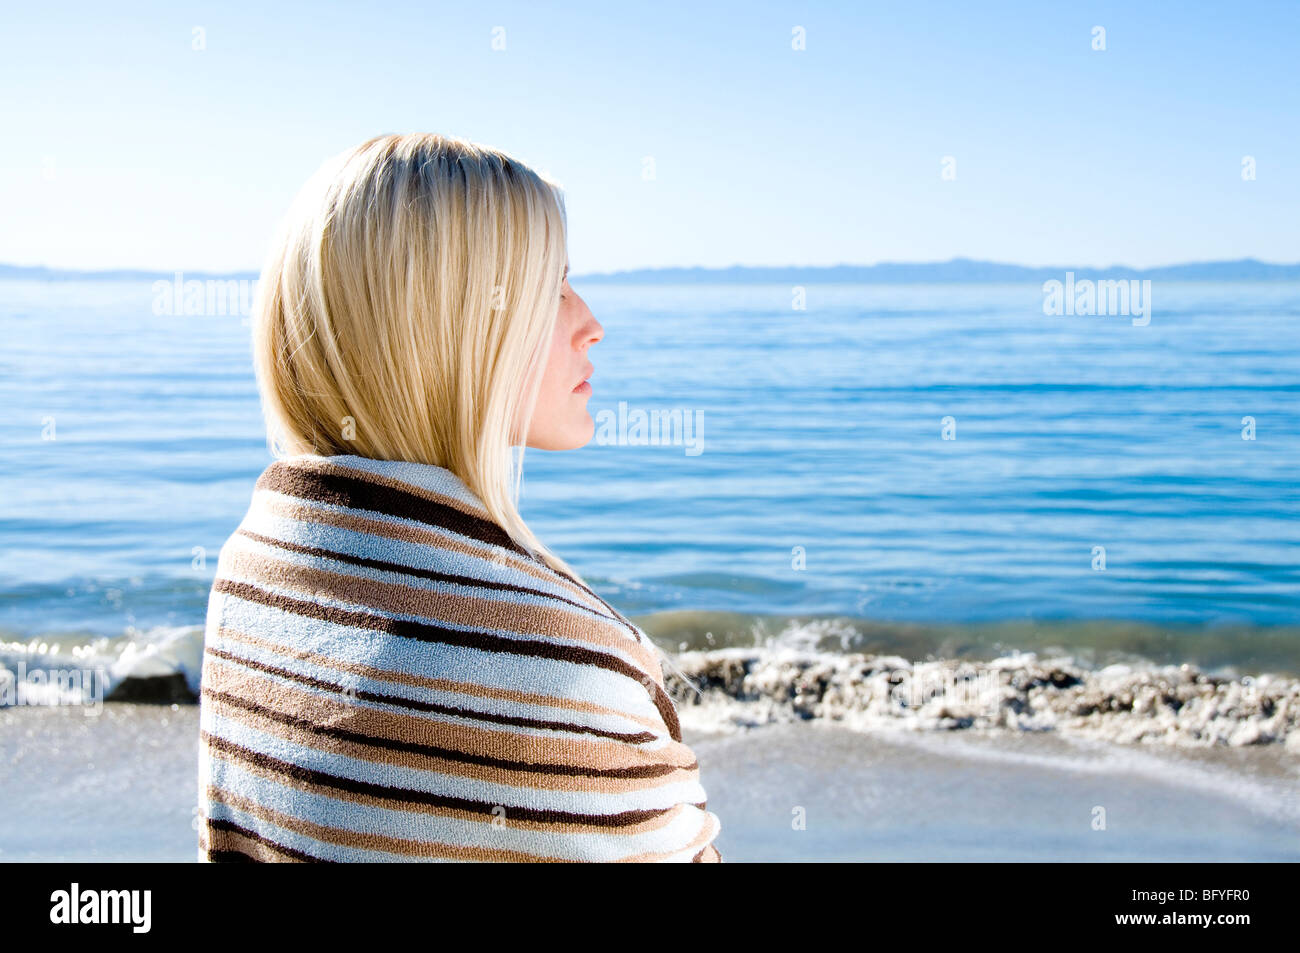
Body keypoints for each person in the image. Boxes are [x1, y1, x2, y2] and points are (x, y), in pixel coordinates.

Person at [195, 132, 722, 862]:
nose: (591, 323)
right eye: (551, 287)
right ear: (449, 325)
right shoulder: (563, 675)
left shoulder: (256, 567)